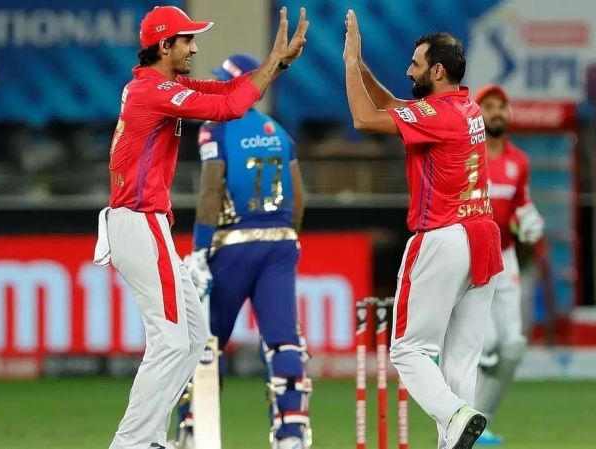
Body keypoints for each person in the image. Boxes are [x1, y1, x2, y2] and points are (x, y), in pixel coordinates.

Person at [91, 6, 308, 449]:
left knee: (191, 340)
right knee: (172, 341)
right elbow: (230, 105)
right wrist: (273, 64)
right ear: (164, 45)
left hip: (145, 224)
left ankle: (149, 439)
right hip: (139, 221)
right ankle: (132, 443)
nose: (194, 47)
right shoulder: (153, 91)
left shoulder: (162, 85)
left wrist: (278, 63)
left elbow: (228, 89)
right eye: (187, 40)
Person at [343, 10, 503, 449]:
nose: (409, 70)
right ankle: (455, 433)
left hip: (443, 236)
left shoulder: (438, 114)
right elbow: (398, 108)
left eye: (415, 64)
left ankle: (455, 415)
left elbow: (364, 118)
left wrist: (347, 61)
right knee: (460, 361)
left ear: (436, 69)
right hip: (484, 237)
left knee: (408, 351)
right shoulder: (463, 107)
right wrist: (363, 70)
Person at [179, 53, 309, 449]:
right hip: (280, 243)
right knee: (283, 341)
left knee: (206, 343)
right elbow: (299, 198)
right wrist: (287, 238)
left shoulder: (215, 129)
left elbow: (210, 188)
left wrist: (200, 249)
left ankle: (191, 431)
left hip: (232, 245)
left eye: (224, 81)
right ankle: (291, 434)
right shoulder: (280, 132)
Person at [471, 85, 545, 446]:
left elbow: (520, 205)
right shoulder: (467, 157)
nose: (496, 112)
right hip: (472, 258)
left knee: (512, 346)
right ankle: (462, 420)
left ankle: (478, 425)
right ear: (477, 113)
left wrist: (529, 220)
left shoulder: (519, 161)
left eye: (502, 107)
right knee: (487, 346)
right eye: (489, 106)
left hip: (508, 258)